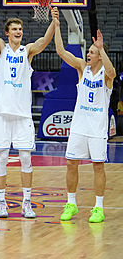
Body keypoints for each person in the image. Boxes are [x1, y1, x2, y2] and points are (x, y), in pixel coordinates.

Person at [0, 0, 56, 219]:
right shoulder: (0, 48)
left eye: (20, 29)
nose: (18, 32)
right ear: (7, 32)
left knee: (26, 159)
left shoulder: (28, 51)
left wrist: (54, 22)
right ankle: (2, 203)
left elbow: (44, 40)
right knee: (2, 159)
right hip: (2, 115)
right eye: (14, 29)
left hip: (23, 115)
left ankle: (26, 203)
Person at [54, 14, 115, 223]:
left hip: (97, 128)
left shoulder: (105, 76)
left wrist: (102, 48)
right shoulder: (82, 68)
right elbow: (61, 51)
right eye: (88, 51)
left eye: (92, 51)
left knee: (98, 166)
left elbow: (112, 72)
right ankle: (71, 203)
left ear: (100, 55)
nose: (88, 54)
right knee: (71, 163)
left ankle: (98, 208)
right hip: (79, 126)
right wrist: (56, 25)